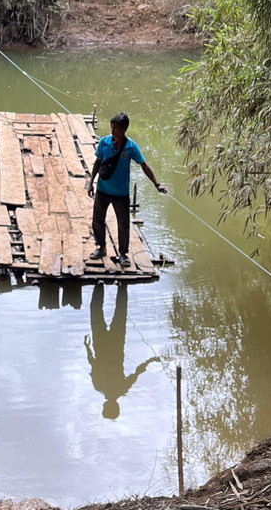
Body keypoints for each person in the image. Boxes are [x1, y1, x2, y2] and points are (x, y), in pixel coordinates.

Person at [85, 112, 167, 268]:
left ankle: (123, 253)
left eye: (115, 128)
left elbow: (144, 166)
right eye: (111, 128)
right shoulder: (104, 142)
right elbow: (98, 162)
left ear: (124, 129)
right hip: (102, 190)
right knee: (97, 220)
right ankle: (101, 247)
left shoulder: (131, 147)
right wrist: (91, 182)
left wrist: (157, 185)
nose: (112, 131)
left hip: (121, 194)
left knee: (123, 224)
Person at [85, 283, 159, 419]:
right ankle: (99, 284)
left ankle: (122, 286)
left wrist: (150, 361)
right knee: (96, 311)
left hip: (116, 344)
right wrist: (87, 347)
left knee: (120, 311)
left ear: (117, 406)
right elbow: (92, 362)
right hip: (101, 344)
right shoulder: (99, 386)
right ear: (105, 406)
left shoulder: (121, 388)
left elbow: (137, 372)